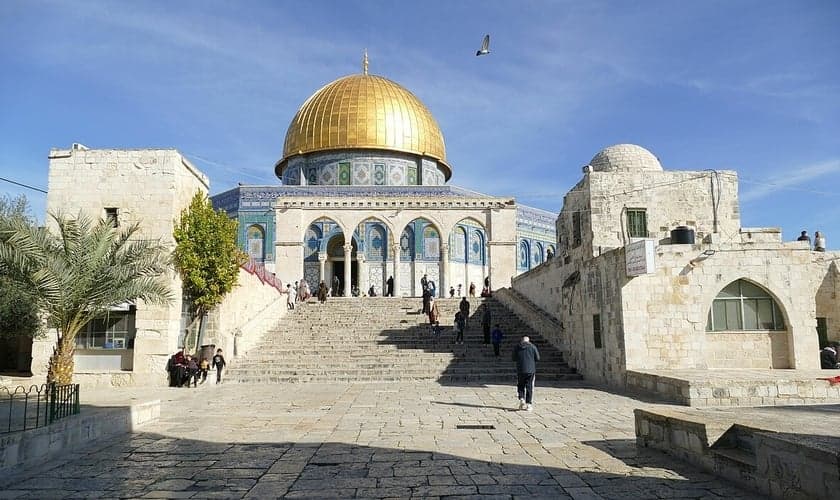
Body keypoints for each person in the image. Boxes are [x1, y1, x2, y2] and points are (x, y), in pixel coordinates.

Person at [512, 336, 541, 411]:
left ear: (522, 341)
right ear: (529, 341)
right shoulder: (533, 347)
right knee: (529, 386)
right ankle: (529, 404)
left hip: (520, 369)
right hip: (530, 370)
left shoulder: (517, 347)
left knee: (520, 384)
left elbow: (513, 358)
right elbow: (537, 358)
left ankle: (522, 398)